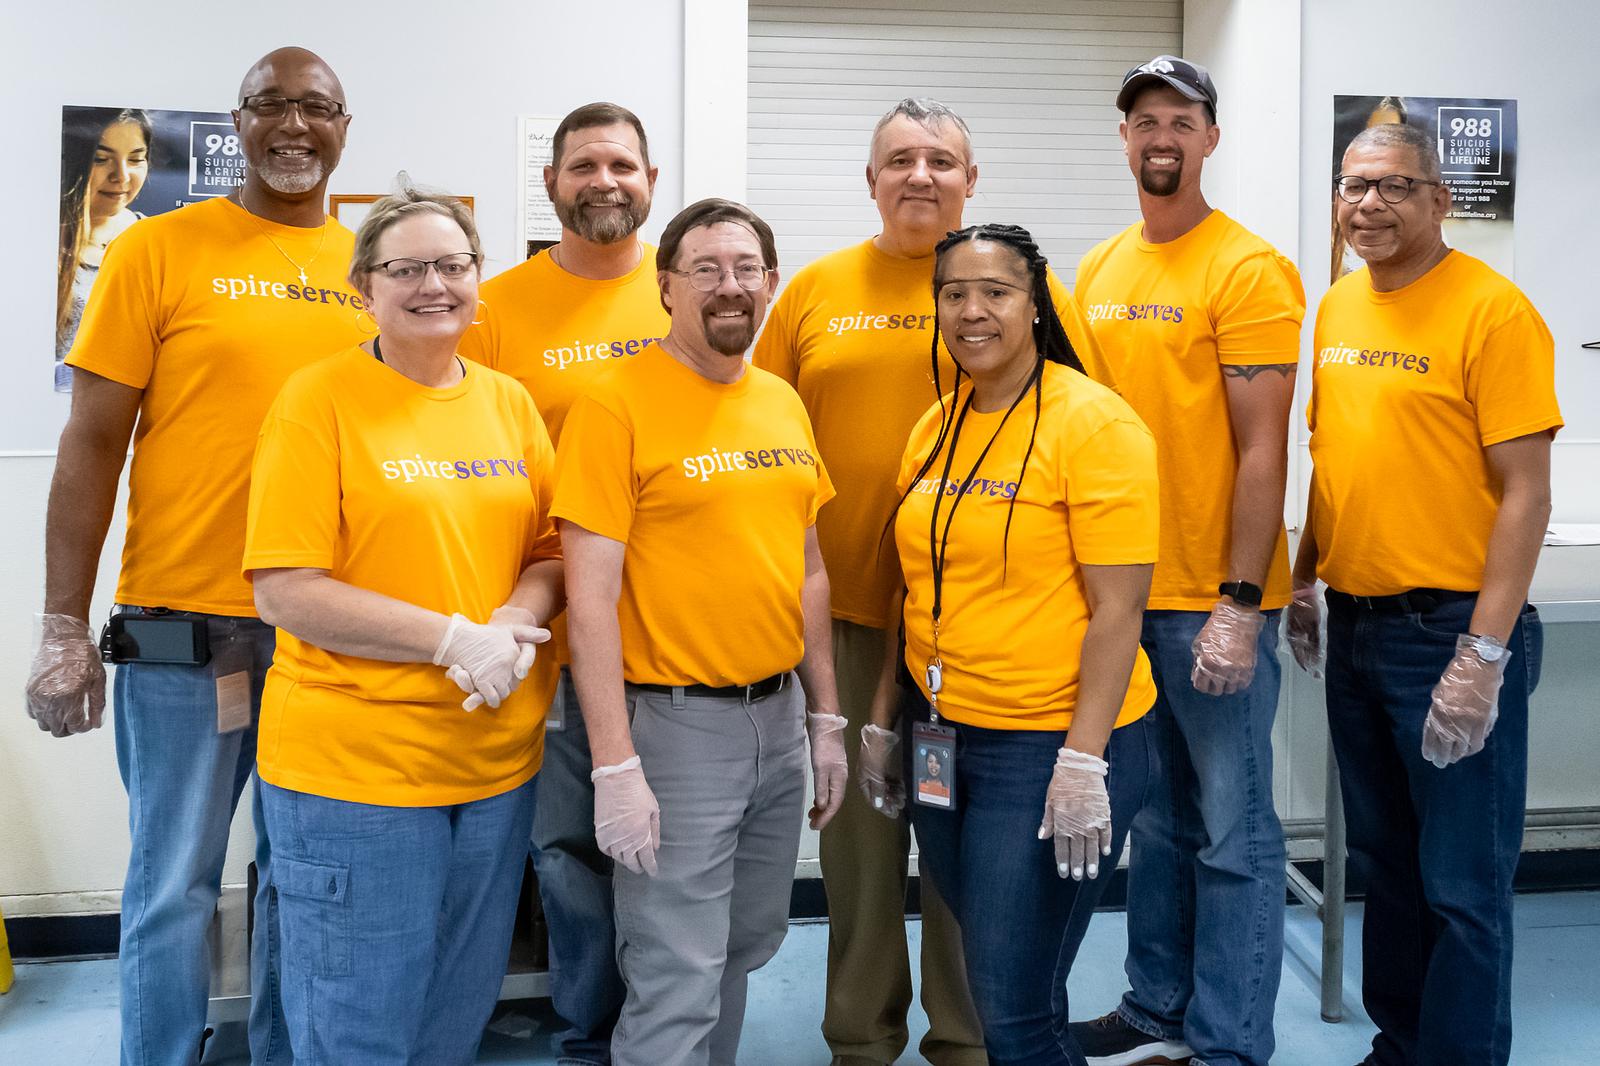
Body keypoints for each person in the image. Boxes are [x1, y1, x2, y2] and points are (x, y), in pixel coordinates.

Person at [752, 96, 1114, 1066]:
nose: (920, 174)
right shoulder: (813, 294)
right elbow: (758, 439)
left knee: (968, 859)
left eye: (940, 160)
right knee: (862, 858)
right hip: (852, 632)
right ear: (868, 179)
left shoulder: (1027, 287)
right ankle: (858, 1038)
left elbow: (1088, 436)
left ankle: (968, 1039)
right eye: (900, 159)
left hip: (980, 643)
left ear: (971, 180)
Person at [23, 46, 357, 1066]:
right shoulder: (158, 253)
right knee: (172, 881)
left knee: (307, 878)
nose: (293, 125)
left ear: (347, 125)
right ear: (237, 123)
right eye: (271, 105)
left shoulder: (375, 267)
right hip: (188, 634)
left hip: (331, 636)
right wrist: (61, 627)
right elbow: (90, 444)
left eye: (316, 107)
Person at [244, 184, 562, 1064]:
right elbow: (286, 590)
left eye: (453, 265)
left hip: (495, 765)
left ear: (478, 278)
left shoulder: (508, 403)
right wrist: (453, 640)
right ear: (365, 286)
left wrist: (509, 620)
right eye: (408, 268)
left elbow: (549, 549)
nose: (435, 284)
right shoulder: (318, 402)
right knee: (356, 1026)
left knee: (453, 1020)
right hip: (357, 774)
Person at [1288, 121, 1559, 1066]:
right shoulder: (1339, 308)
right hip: (1358, 630)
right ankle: (1401, 1048)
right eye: (1355, 186)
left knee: (1462, 886)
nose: (1370, 204)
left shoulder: (1493, 312)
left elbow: (1527, 491)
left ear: (1441, 200)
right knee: (1388, 873)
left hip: (1449, 632)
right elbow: (1335, 461)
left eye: (1396, 187)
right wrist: (1302, 579)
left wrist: (1482, 656)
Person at [553, 198, 848, 1066]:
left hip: (776, 718)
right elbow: (588, 599)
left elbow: (810, 571)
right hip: (675, 729)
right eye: (707, 270)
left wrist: (824, 720)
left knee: (742, 948)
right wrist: (614, 766)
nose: (730, 287)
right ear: (666, 286)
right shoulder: (615, 405)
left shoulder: (782, 403)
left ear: (771, 283)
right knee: (676, 970)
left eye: (746, 269)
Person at [858, 222, 1159, 1064]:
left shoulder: (1095, 425)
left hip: (1050, 745)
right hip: (946, 736)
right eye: (953, 293)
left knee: (1012, 999)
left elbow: (1118, 611)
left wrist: (1084, 761)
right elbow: (912, 583)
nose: (971, 311)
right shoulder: (938, 424)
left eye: (996, 292)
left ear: (1036, 304)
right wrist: (887, 721)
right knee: (1001, 978)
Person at [1069, 56, 1304, 1066]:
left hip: (1209, 600)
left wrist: (1239, 604)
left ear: (1210, 137)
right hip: (1123, 598)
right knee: (1158, 827)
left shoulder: (1246, 269)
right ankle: (1157, 1005)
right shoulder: (1099, 267)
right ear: (1122, 139)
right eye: (1142, 120)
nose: (1158, 135)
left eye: (1179, 118)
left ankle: (1227, 1044)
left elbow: (1263, 448)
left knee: (1233, 835)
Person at [458, 100, 668, 1066]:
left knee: (675, 854)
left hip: (677, 634)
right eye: (584, 165)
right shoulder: (494, 309)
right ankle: (593, 1031)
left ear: (651, 182)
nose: (605, 181)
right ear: (552, 184)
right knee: (571, 853)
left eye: (622, 165)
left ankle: (667, 1025)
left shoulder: (688, 294)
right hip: (548, 623)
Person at [56, 107, 153, 388]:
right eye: (101, 159)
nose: (121, 176)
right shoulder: (32, 241)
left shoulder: (159, 240)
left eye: (136, 159)